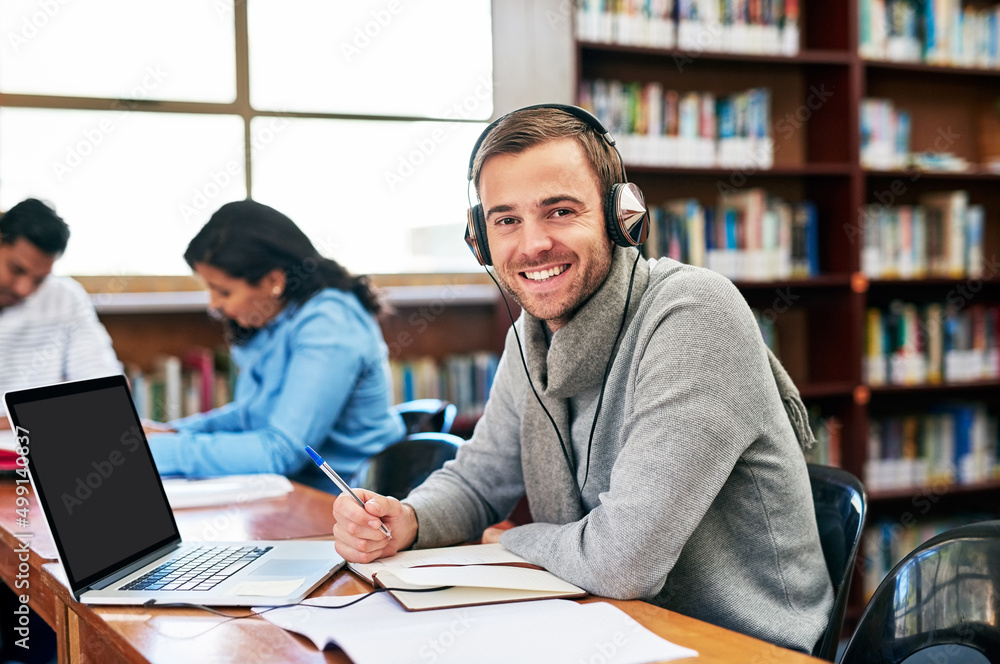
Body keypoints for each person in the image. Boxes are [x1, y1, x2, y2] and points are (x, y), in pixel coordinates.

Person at [331, 105, 835, 653]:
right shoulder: (531, 339)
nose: (532, 245)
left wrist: (514, 543)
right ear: (481, 239)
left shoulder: (694, 314)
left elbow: (624, 563)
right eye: (506, 220)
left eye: (560, 210)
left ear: (621, 216)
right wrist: (407, 518)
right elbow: (479, 481)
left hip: (737, 647)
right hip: (599, 628)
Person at [146, 200, 405, 490]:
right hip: (291, 495)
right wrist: (172, 432)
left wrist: (153, 452)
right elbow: (250, 414)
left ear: (273, 280)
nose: (213, 304)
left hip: (346, 503)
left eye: (223, 291)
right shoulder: (277, 318)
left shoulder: (330, 323)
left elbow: (281, 451)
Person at [0, 198, 121, 398]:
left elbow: (106, 389)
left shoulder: (65, 296)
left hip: (51, 428)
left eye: (39, 280)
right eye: (16, 269)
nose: (24, 290)